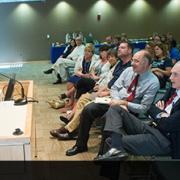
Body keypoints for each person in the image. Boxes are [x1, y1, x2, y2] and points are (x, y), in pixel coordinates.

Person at [65, 50, 160, 156]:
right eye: (132, 60)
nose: (132, 63)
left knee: (108, 117)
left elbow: (144, 108)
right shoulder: (128, 71)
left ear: (146, 64)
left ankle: (103, 153)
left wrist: (124, 104)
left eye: (136, 61)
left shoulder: (153, 82)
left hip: (129, 110)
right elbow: (114, 88)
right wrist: (117, 101)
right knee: (88, 109)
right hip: (115, 101)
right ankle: (80, 145)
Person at [96, 61, 180, 161]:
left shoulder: (166, 86)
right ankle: (117, 150)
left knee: (112, 140)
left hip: (165, 140)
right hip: (152, 127)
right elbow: (151, 107)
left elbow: (167, 125)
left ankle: (115, 152)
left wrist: (159, 113)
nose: (170, 78)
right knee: (115, 108)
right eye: (171, 74)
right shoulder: (173, 90)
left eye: (175, 75)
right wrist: (162, 114)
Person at [50, 46, 132, 140]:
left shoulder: (128, 69)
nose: (109, 58)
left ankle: (69, 129)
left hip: (113, 96)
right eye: (109, 56)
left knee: (86, 100)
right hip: (102, 87)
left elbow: (121, 88)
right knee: (83, 96)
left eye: (122, 48)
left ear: (129, 51)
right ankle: (72, 125)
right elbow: (110, 81)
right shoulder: (118, 65)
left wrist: (104, 90)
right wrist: (100, 86)